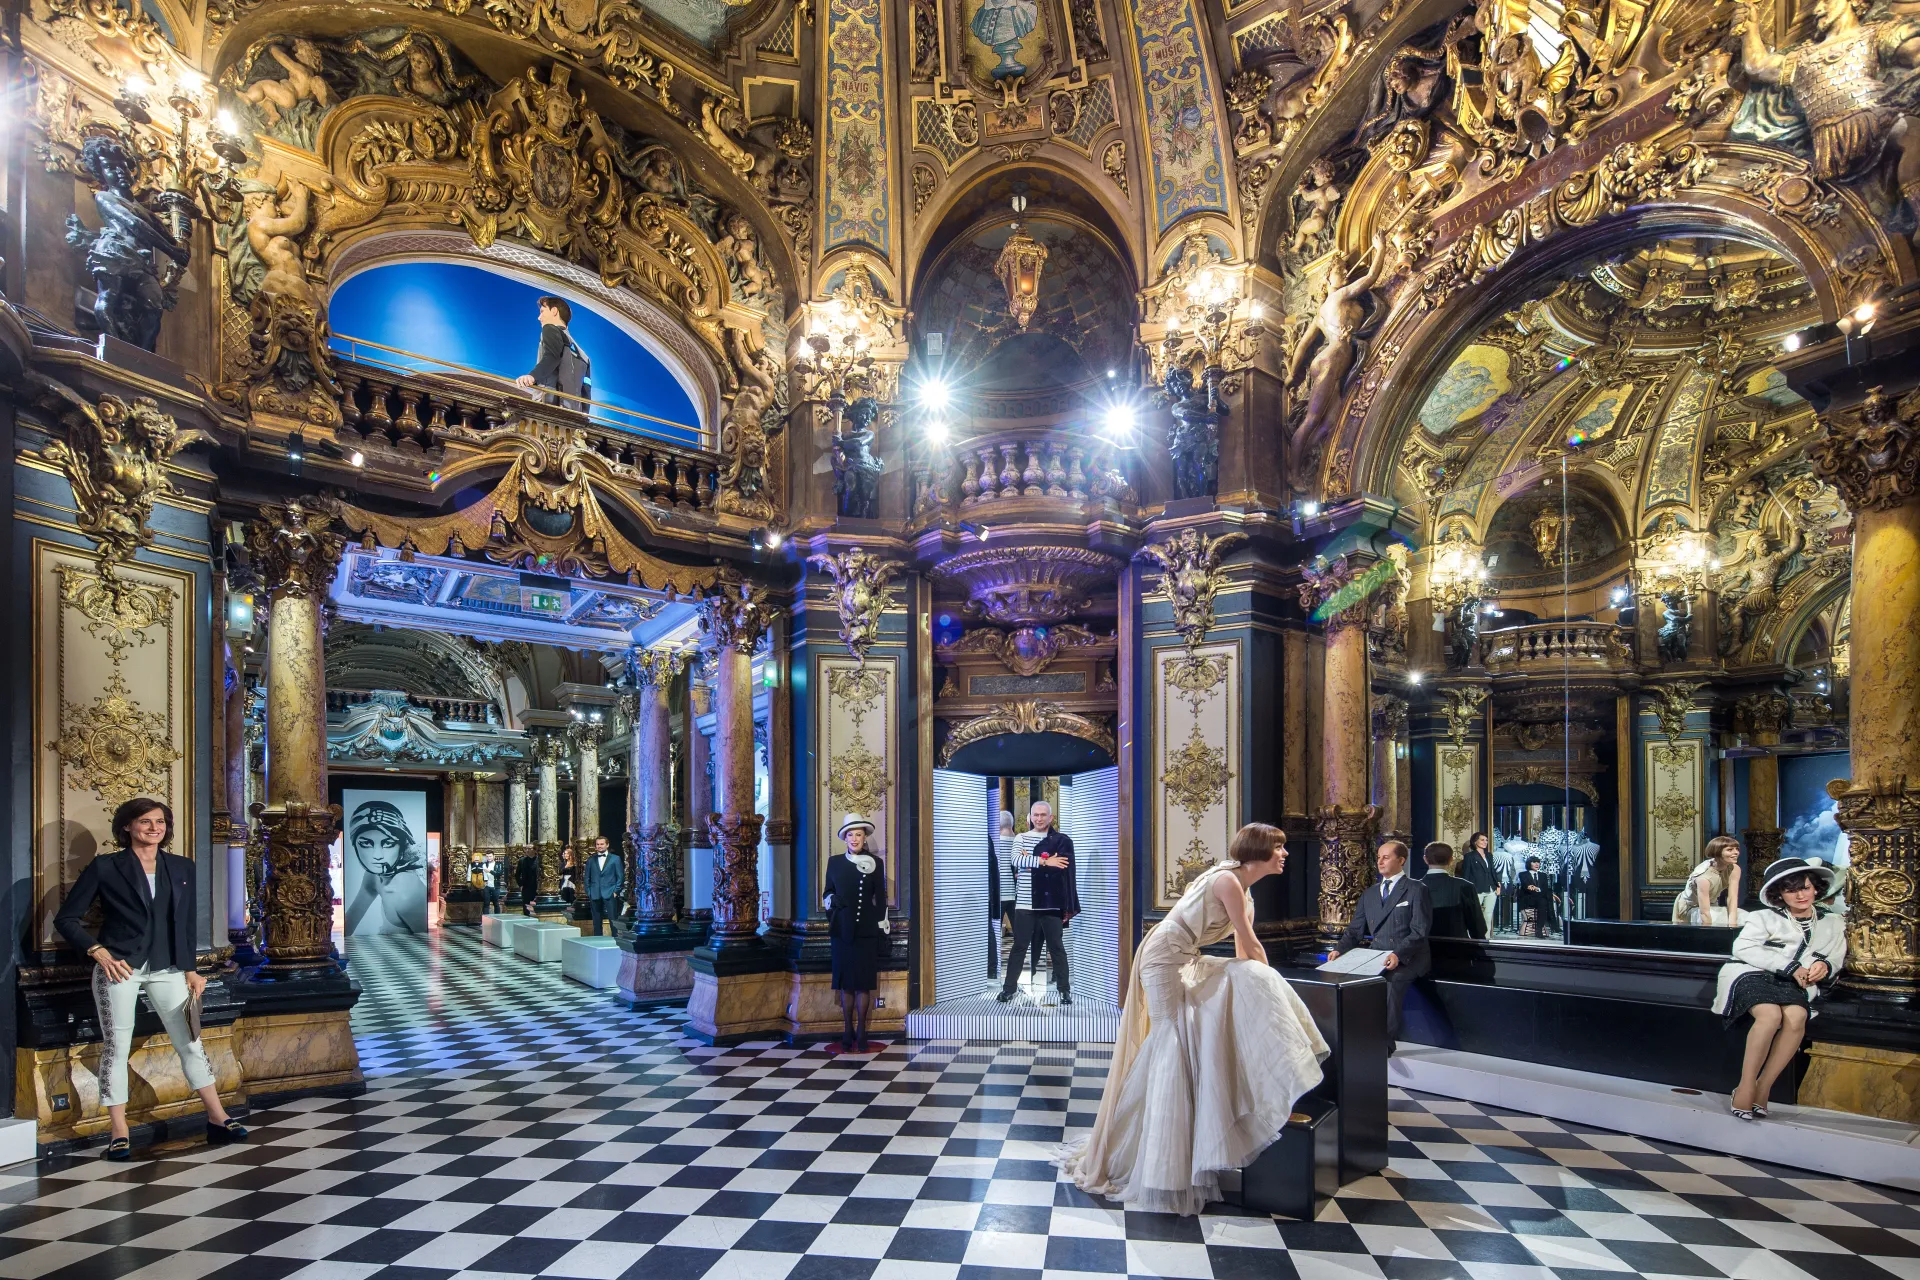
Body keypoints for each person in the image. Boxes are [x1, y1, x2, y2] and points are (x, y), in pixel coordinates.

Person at [1061, 824, 1329, 1215]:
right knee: (1169, 1038)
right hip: (1163, 956)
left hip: (1185, 956)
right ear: (1258, 851)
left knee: (1200, 1021)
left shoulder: (1244, 890)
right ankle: (1158, 1163)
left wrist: (1264, 985)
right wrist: (1270, 981)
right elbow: (1250, 944)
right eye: (1278, 847)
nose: (1285, 854)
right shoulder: (1226, 881)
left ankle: (1182, 1147)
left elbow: (1243, 947)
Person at [55, 797, 248, 1161]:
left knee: (190, 1042)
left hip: (168, 967)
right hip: (119, 967)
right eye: (145, 821)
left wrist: (190, 969)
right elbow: (66, 920)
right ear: (127, 826)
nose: (154, 828)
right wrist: (98, 951)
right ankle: (119, 1132)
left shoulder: (180, 867)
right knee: (116, 1046)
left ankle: (218, 1118)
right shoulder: (105, 867)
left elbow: (185, 924)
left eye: (160, 822)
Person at [1713, 857, 1846, 1120]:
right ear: (1779, 894)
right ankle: (1746, 1086)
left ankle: (1764, 1088)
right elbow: (1743, 948)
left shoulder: (1833, 923)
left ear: (1816, 888)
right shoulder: (1763, 917)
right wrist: (1788, 966)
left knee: (1796, 1017)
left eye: (1805, 888)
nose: (1800, 895)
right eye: (1791, 890)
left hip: (1796, 983)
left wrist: (1824, 967)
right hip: (1751, 973)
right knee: (1770, 1016)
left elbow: (1835, 958)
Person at [1328, 840, 1433, 1045]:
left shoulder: (1416, 889)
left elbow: (1420, 931)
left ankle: (1383, 1043)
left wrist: (1398, 954)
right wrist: (1339, 950)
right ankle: (1354, 1037)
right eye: (1378, 857)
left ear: (1401, 860)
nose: (1380, 861)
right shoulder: (1370, 894)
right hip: (1376, 956)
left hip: (1410, 957)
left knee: (1391, 983)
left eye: (1386, 857)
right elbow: (1355, 930)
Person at [997, 800, 1078, 1005]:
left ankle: (1064, 990)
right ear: (1030, 817)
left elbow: (1066, 871)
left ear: (1051, 817)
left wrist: (1031, 860)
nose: (1039, 818)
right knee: (1019, 947)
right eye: (1036, 815)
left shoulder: (1060, 840)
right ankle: (1008, 989)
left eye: (1043, 815)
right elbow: (1016, 860)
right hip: (1025, 903)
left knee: (1057, 947)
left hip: (1051, 904)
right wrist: (1045, 861)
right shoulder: (1021, 838)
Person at [823, 814, 889, 1053]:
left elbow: (880, 898)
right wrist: (832, 900)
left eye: (858, 834)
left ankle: (862, 1030)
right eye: (850, 834)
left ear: (864, 837)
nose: (854, 838)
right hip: (843, 930)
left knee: (863, 984)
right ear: (845, 838)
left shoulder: (875, 864)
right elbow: (826, 893)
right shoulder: (835, 862)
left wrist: (882, 926)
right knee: (846, 985)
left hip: (866, 931)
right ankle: (847, 1029)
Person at [342, 800, 428, 935]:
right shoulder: (373, 875)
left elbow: (426, 945)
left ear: (402, 845)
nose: (377, 856)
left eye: (388, 843)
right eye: (366, 844)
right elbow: (350, 922)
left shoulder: (406, 887)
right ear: (355, 845)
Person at [514, 295, 590, 406]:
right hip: (573, 413)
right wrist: (584, 415)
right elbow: (586, 389)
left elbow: (552, 356)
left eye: (542, 311)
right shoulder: (585, 357)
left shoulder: (550, 328)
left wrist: (532, 376)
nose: (539, 317)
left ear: (554, 311)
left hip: (547, 405)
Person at [1421, 842, 1488, 940]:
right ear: (1451, 860)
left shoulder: (1413, 887)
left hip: (1422, 949)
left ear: (1425, 859)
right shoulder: (1466, 886)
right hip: (1458, 948)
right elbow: (1477, 926)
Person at [1673, 835, 1743, 927]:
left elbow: (1732, 898)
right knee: (1715, 919)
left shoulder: (1734, 869)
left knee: (1744, 916)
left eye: (1737, 849)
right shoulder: (1704, 878)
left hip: (1712, 905)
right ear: (1717, 853)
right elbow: (1704, 913)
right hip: (1692, 908)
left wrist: (1732, 925)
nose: (1736, 853)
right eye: (1730, 850)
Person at [583, 834, 622, 936]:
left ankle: (615, 939)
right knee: (596, 919)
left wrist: (616, 891)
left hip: (610, 892)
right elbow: (587, 877)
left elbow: (620, 877)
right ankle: (598, 939)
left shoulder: (615, 859)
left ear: (607, 845)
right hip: (594, 893)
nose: (599, 846)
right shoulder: (591, 860)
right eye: (597, 844)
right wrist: (589, 891)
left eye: (601, 844)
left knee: (613, 918)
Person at [1459, 831, 1499, 931]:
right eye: (1482, 840)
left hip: (1491, 889)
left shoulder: (1489, 855)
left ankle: (1486, 938)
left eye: (1486, 840)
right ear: (1475, 842)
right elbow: (1466, 875)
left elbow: (1492, 871)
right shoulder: (1470, 856)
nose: (1485, 842)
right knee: (1474, 914)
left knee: (1488, 915)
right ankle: (1472, 938)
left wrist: (1498, 885)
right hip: (1476, 889)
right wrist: (1466, 891)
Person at [1514, 854, 1555, 936]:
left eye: (1538, 862)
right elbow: (1526, 886)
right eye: (1534, 862)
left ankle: (1539, 929)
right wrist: (1536, 889)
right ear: (1529, 863)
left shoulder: (1543, 875)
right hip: (1528, 898)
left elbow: (1545, 889)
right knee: (1545, 899)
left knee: (1544, 899)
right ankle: (1553, 923)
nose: (1537, 864)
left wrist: (1537, 889)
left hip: (1540, 899)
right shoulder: (1522, 874)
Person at [517, 847, 541, 916]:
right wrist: (520, 884)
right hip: (526, 886)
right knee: (526, 906)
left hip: (537, 886)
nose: (527, 850)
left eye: (529, 848)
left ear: (534, 850)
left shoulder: (539, 860)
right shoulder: (522, 860)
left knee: (537, 906)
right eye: (526, 849)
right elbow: (517, 874)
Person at [478, 848, 502, 913]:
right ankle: (486, 919)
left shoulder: (498, 864)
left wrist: (490, 871)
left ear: (494, 856)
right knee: (486, 903)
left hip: (495, 886)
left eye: (490, 856)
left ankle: (497, 918)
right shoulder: (484, 864)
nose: (489, 858)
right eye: (487, 856)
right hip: (486, 886)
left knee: (496, 903)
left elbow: (499, 873)